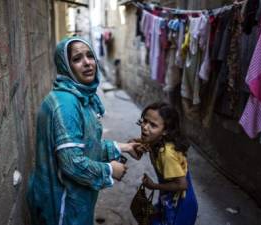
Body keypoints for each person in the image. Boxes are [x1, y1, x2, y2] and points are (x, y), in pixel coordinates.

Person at [26, 37, 140, 225]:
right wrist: (110, 170)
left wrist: (125, 147)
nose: (87, 63)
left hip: (74, 199)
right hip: (62, 204)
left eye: (90, 56)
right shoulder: (66, 105)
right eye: (77, 59)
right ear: (65, 66)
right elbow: (73, 164)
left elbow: (87, 146)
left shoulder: (78, 96)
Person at [134, 102, 198, 225]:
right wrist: (135, 145)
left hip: (180, 206)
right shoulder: (155, 140)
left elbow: (182, 185)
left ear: (165, 130)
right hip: (168, 198)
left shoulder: (167, 154)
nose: (145, 127)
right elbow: (139, 144)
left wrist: (154, 186)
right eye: (144, 121)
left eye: (153, 125)